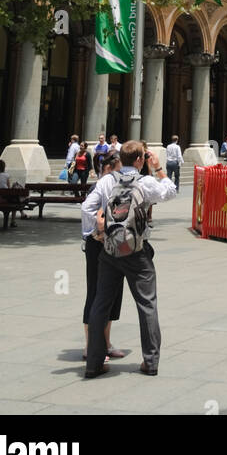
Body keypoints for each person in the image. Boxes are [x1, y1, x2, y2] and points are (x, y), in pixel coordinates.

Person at [82, 141, 177, 378]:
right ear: (139, 160)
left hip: (109, 251)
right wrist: (158, 168)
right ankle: (150, 362)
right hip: (137, 252)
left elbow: (87, 207)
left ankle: (94, 363)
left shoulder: (107, 181)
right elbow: (170, 191)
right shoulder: (144, 182)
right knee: (147, 305)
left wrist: (97, 230)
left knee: (100, 304)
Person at [80, 152, 126, 365]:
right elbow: (86, 208)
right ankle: (90, 345)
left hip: (112, 243)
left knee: (112, 294)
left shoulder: (116, 181)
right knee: (96, 293)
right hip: (99, 245)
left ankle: (106, 343)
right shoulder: (104, 182)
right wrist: (99, 230)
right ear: (112, 166)